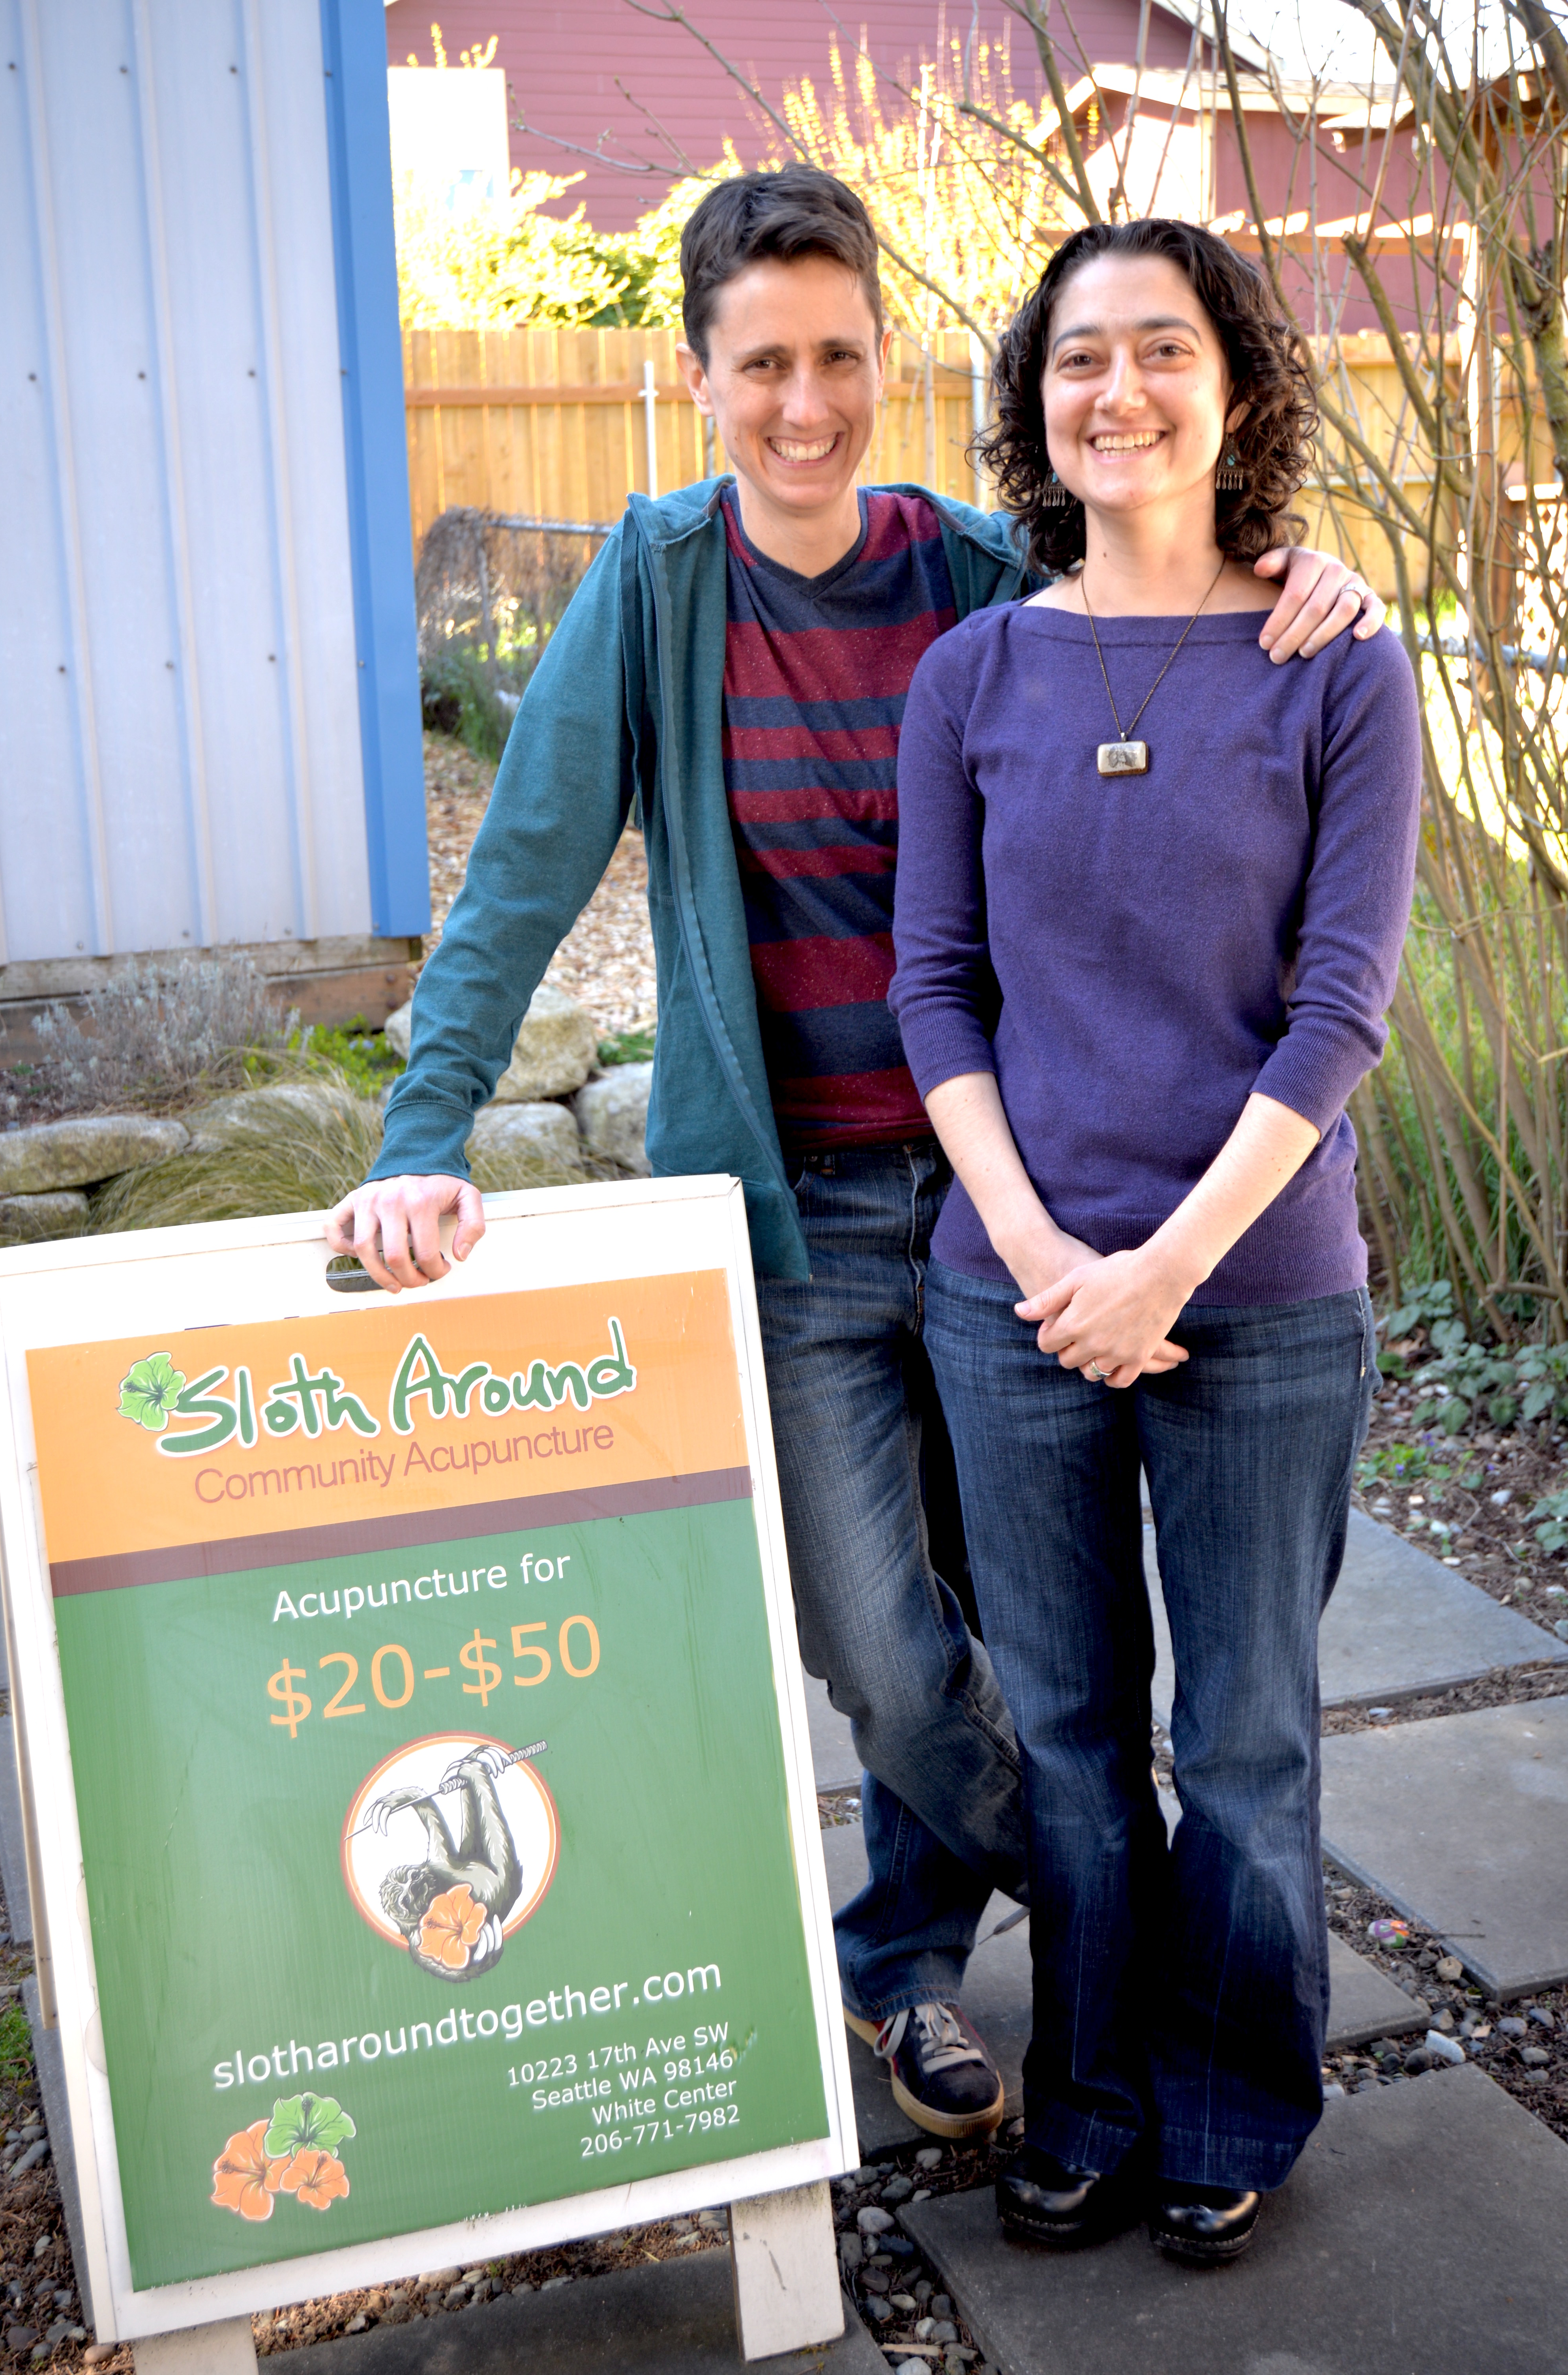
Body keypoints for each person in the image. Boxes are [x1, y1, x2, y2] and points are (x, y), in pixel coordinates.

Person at [328, 169, 1386, 2144]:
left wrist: (1302, 570)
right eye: (761, 366)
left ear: (883, 357)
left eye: (837, 358)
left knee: (1029, 1635)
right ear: (697, 372)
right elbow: (517, 884)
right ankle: (1160, 1938)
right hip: (803, 1206)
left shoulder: (979, 581)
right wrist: (419, 1134)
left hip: (1027, 1216)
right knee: (892, 1656)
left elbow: (1160, 598)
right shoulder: (653, 591)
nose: (802, 404)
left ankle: (906, 1967)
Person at [888, 216, 1420, 2255]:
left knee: (1249, 1735)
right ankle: (1092, 2095)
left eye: (1163, 347)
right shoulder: (976, 673)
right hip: (1010, 1300)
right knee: (1079, 1740)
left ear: (1238, 382)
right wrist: (1042, 1258)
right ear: (1034, 403)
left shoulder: (1337, 662)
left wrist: (1167, 1271)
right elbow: (937, 986)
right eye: (1078, 356)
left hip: (1261, 1301)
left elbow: (1340, 1011)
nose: (1118, 388)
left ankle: (1230, 2103)